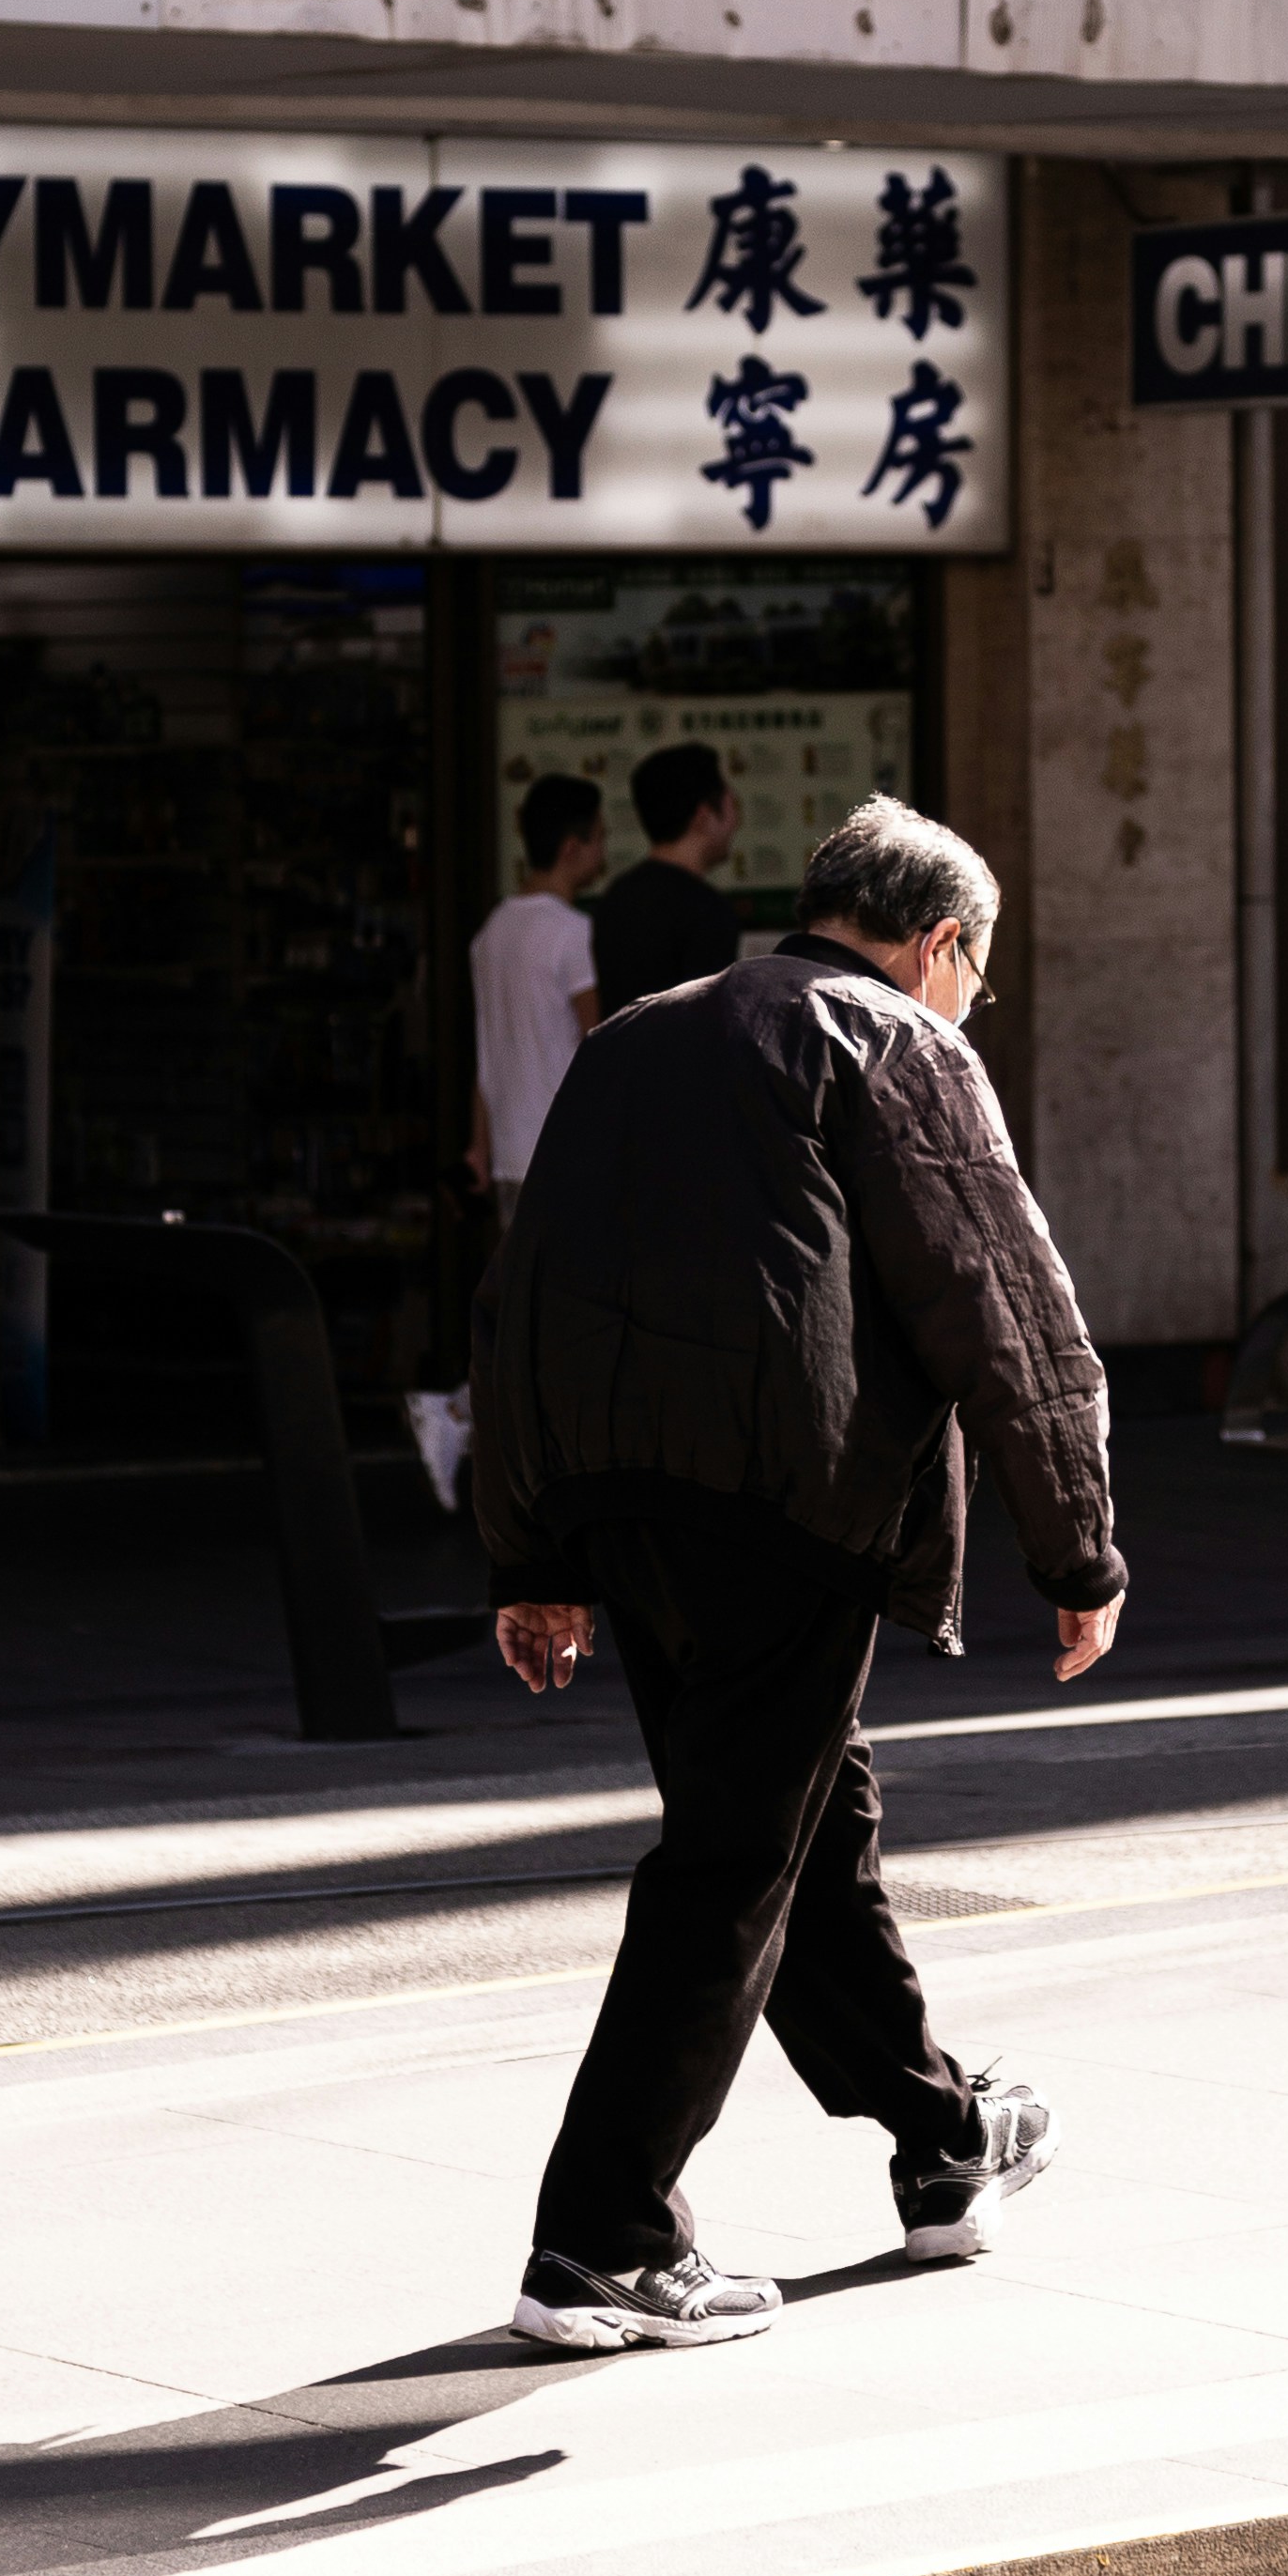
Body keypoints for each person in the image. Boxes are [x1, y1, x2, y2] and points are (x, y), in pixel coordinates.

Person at [474, 794, 1126, 2352]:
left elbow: (526, 1292)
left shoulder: (638, 1033)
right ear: (940, 941)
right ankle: (603, 2241)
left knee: (799, 1826)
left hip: (621, 1498)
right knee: (729, 1862)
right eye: (978, 969)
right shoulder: (894, 1039)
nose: (973, 998)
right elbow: (999, 1307)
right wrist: (1076, 1546)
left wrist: (534, 1551)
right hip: (785, 1502)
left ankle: (943, 2138)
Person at [465, 771, 605, 1226]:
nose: (604, 851)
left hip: (509, 1154)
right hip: (564, 1153)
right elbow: (595, 1042)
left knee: (521, 1291)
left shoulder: (490, 934)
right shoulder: (574, 933)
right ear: (572, 848)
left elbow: (487, 1054)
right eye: (599, 837)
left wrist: (479, 1148)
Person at [592, 739, 744, 1017]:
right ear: (704, 816)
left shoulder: (615, 898)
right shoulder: (706, 911)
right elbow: (710, 1028)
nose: (736, 819)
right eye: (731, 803)